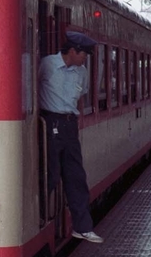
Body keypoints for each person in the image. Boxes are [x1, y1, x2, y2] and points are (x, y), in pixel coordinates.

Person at [38, 31, 103, 244]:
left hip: (69, 125)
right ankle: (36, 222)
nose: (86, 58)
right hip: (50, 122)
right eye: (84, 53)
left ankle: (82, 227)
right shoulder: (47, 65)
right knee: (51, 174)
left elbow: (81, 95)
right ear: (73, 51)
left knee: (76, 177)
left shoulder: (81, 72)